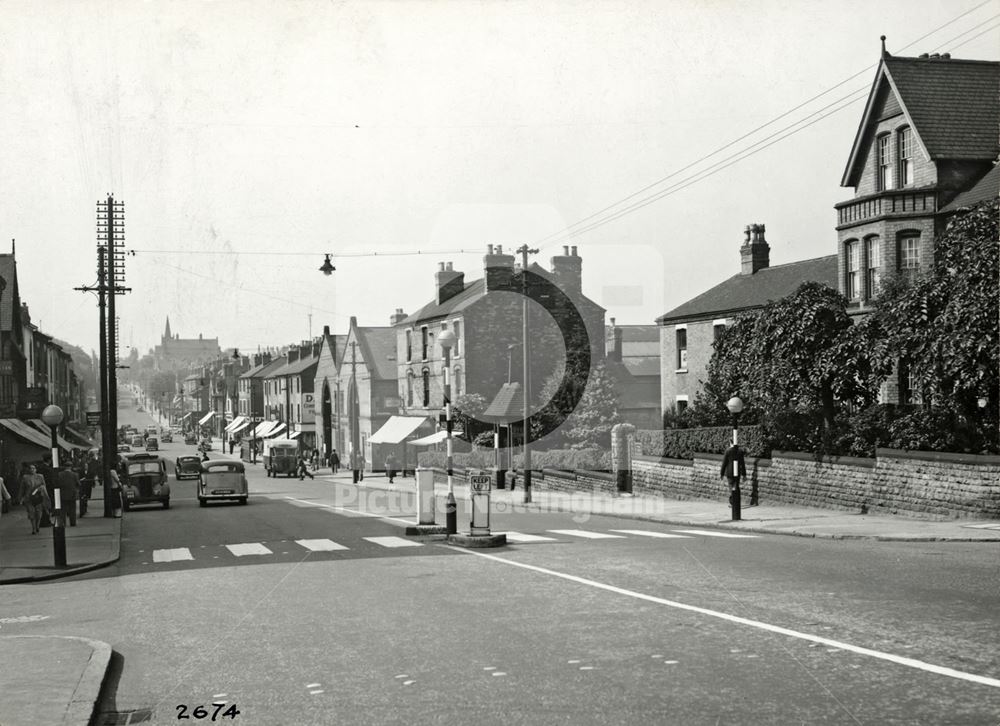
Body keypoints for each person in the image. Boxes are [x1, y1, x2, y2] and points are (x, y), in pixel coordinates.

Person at [21, 465, 50, 534]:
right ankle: (33, 528)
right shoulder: (25, 477)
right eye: (30, 468)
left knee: (38, 513)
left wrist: (45, 494)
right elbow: (22, 488)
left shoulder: (40, 476)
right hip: (29, 498)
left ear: (36, 469)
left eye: (33, 468)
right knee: (31, 513)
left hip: (38, 497)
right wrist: (21, 497)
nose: (32, 470)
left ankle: (37, 525)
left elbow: (44, 486)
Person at [720, 444, 747, 508]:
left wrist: (722, 474)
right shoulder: (740, 451)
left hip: (729, 473)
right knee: (736, 487)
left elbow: (724, 463)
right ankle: (737, 502)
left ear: (730, 442)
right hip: (737, 472)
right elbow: (742, 463)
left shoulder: (728, 451)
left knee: (731, 487)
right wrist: (744, 474)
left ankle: (733, 502)